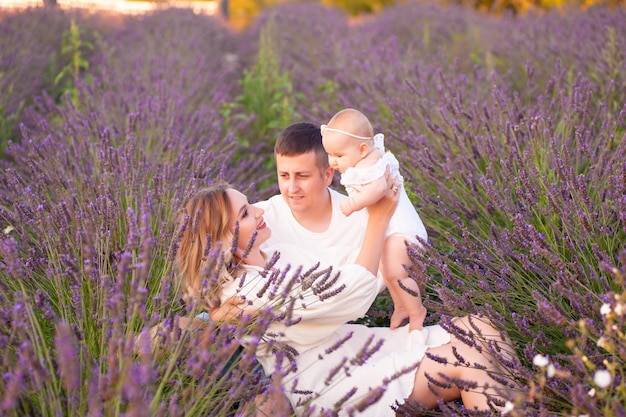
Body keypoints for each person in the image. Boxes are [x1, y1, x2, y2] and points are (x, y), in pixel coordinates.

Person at [177, 182, 514, 416]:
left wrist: (398, 263)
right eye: (247, 213)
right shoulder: (246, 293)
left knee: (482, 326)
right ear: (226, 242)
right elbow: (347, 297)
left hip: (355, 348)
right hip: (331, 385)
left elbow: (341, 270)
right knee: (468, 358)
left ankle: (524, 406)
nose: (260, 211)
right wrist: (379, 220)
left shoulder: (273, 252)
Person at [254, 122, 428, 330]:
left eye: (302, 176)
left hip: (347, 336)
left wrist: (379, 221)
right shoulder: (257, 220)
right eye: (284, 176)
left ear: (328, 175)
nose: (292, 188)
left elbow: (367, 293)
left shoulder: (364, 221)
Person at [321, 108, 428, 332]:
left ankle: (417, 311)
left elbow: (379, 188)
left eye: (339, 156)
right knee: (387, 271)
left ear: (361, 149)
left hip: (403, 231)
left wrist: (354, 203)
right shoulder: (367, 158)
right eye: (330, 155)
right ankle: (401, 306)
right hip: (394, 232)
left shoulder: (368, 167)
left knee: (396, 273)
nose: (333, 161)